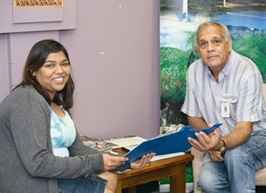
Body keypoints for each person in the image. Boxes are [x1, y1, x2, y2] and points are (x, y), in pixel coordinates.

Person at [0, 39, 154, 193]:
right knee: (107, 181)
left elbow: (78, 151)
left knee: (110, 175)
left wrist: (126, 162)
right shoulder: (27, 101)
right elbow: (38, 164)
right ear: (33, 71)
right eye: (50, 65)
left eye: (64, 64)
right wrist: (97, 162)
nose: (60, 70)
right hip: (36, 185)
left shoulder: (56, 104)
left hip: (56, 178)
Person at [181, 21, 266, 193]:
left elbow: (244, 129)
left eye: (216, 41)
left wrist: (220, 144)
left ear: (228, 45)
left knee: (236, 155)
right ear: (198, 50)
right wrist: (211, 141)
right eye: (203, 44)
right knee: (208, 182)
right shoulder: (193, 72)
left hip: (260, 137)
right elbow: (194, 117)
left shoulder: (247, 71)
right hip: (220, 140)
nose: (210, 48)